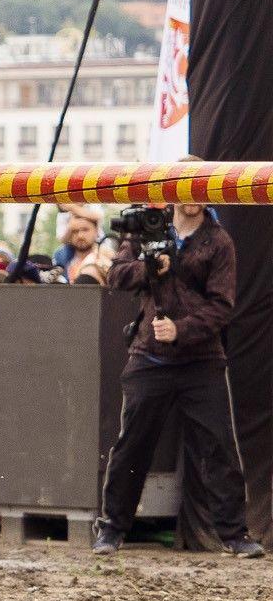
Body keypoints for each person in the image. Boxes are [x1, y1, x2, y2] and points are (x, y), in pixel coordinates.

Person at [94, 189, 264, 558]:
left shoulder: (219, 241)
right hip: (148, 356)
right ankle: (112, 529)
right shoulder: (143, 227)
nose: (194, 197)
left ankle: (234, 534)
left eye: (201, 189)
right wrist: (148, 268)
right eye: (187, 188)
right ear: (172, 192)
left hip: (201, 360)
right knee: (132, 445)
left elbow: (222, 306)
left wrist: (181, 329)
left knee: (218, 445)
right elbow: (117, 275)